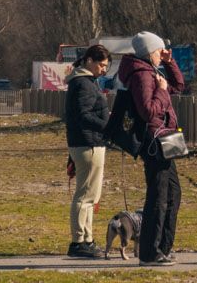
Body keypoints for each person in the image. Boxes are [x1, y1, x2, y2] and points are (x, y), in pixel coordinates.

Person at [117, 31, 185, 267]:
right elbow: (148, 110)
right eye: (158, 51)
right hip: (155, 140)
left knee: (173, 193)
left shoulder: (151, 71)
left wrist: (169, 62)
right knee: (158, 196)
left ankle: (163, 247)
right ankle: (149, 252)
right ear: (148, 52)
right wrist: (162, 90)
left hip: (165, 138)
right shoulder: (142, 76)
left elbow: (178, 85)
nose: (160, 54)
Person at [65, 44, 112, 259]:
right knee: (85, 196)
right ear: (89, 61)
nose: (104, 70)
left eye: (106, 66)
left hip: (86, 143)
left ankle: (87, 239)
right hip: (88, 144)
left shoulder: (83, 82)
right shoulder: (83, 84)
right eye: (101, 65)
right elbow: (83, 116)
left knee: (90, 196)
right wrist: (108, 126)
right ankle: (79, 242)